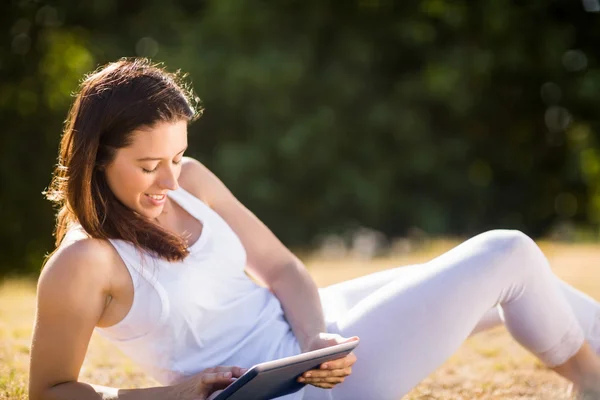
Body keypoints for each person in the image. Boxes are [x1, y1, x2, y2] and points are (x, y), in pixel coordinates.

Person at [29, 58, 600, 400]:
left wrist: (312, 339)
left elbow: (280, 268)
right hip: (289, 391)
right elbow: (49, 392)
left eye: (178, 156)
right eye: (149, 166)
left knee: (511, 288)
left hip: (310, 339)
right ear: (95, 158)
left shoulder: (192, 182)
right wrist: (173, 395)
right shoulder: (84, 264)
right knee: (509, 255)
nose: (169, 179)